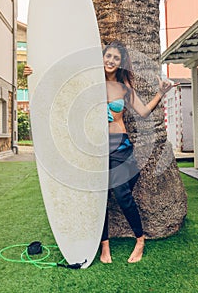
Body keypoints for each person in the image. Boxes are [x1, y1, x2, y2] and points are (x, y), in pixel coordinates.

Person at [24, 40, 175, 264]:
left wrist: (161, 92)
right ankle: (104, 245)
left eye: (116, 58)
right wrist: (34, 75)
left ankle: (140, 240)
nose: (111, 61)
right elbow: (59, 90)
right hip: (94, 148)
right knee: (98, 198)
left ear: (121, 62)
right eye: (108, 56)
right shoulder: (89, 83)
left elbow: (142, 111)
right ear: (102, 57)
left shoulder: (124, 88)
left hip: (120, 146)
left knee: (123, 196)